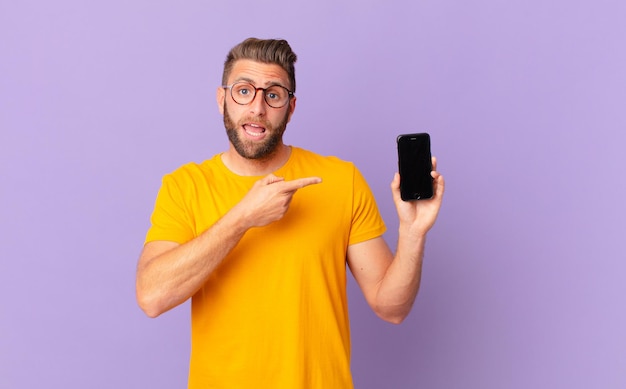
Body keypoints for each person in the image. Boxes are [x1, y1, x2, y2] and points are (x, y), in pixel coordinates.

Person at [136, 37, 445, 389]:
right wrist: (242, 218)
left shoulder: (341, 180)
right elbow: (152, 296)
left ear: (291, 107)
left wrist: (413, 233)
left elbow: (393, 308)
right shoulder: (185, 186)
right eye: (243, 91)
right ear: (222, 99)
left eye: (273, 94)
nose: (257, 108)